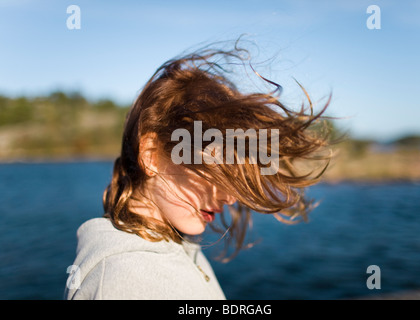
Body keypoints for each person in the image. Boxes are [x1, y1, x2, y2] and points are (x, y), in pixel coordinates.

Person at [64, 42, 332, 300]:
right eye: (216, 167)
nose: (230, 197)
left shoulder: (169, 242)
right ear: (151, 155)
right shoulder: (129, 278)